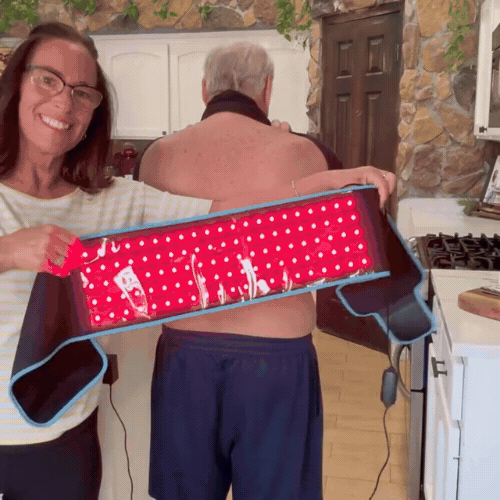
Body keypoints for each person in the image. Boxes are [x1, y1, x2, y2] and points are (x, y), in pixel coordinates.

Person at [0, 23, 394, 500]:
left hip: (72, 430)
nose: (64, 103)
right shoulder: (303, 150)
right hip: (273, 361)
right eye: (48, 79)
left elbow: (222, 211)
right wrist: (9, 251)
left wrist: (328, 184)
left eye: (82, 92)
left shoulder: (118, 195)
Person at [138, 42, 396, 500]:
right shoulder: (307, 155)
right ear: (268, 89)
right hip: (275, 360)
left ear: (205, 90)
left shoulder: (157, 156)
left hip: (185, 357)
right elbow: (346, 256)